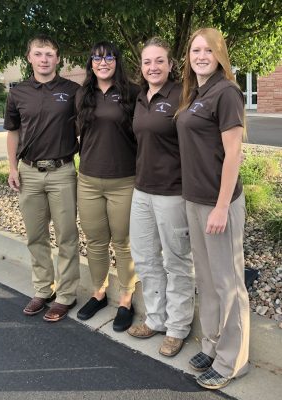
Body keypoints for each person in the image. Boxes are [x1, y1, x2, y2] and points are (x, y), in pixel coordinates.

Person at [176, 27, 250, 389]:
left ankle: (233, 360)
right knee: (206, 280)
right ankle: (212, 344)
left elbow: (233, 153)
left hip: (220, 204)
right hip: (195, 200)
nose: (201, 56)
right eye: (195, 50)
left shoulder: (227, 93)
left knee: (228, 283)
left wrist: (222, 206)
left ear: (219, 54)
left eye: (208, 50)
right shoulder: (196, 93)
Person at [4, 34, 80, 322]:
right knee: (36, 236)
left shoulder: (73, 91)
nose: (44, 59)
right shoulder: (18, 93)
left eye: (49, 54)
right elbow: (12, 132)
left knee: (66, 236)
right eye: (39, 54)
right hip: (28, 172)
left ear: (58, 58)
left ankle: (66, 295)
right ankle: (42, 289)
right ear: (29, 58)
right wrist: (12, 168)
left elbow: (85, 128)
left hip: (62, 171)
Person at [127, 37, 195, 357]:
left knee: (176, 261)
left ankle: (178, 327)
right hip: (142, 191)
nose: (153, 67)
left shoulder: (182, 94)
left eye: (159, 61)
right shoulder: (141, 98)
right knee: (146, 258)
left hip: (172, 193)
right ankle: (155, 318)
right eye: (147, 62)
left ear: (170, 64)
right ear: (141, 67)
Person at [75, 41, 140, 332]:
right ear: (90, 62)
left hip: (124, 181)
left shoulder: (131, 93)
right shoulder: (82, 95)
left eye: (109, 57)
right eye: (97, 58)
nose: (103, 62)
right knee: (95, 240)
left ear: (117, 61)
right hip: (88, 180)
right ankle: (98, 293)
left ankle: (126, 298)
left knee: (123, 241)